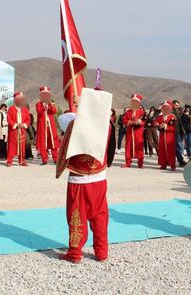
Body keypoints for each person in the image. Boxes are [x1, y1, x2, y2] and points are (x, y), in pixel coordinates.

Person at [57, 88, 113, 264]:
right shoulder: (107, 124)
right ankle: (102, 252)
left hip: (80, 179)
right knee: (100, 215)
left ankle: (75, 253)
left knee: (77, 215)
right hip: (99, 177)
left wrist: (81, 107)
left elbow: (64, 127)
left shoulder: (75, 124)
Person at [35, 86, 60, 165]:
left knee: (53, 143)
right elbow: (39, 111)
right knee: (43, 143)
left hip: (50, 126)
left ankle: (56, 159)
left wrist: (51, 106)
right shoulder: (38, 104)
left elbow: (54, 111)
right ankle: (44, 159)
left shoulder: (50, 103)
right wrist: (44, 106)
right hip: (42, 127)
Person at [122, 94, 146, 168]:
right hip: (130, 131)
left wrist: (140, 122)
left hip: (138, 132)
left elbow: (145, 121)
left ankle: (140, 163)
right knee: (128, 146)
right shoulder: (128, 112)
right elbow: (124, 119)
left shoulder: (142, 112)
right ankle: (128, 162)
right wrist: (129, 122)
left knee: (139, 147)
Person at [7, 92, 30, 167]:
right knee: (12, 145)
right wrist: (16, 125)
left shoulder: (25, 109)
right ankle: (9, 161)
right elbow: (9, 119)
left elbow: (28, 119)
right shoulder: (11, 109)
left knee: (22, 145)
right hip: (14, 130)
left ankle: (22, 161)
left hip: (22, 129)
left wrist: (23, 125)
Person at [155, 100, 177, 171]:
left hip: (170, 136)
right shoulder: (160, 116)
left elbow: (174, 127)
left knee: (170, 150)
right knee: (162, 150)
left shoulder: (172, 117)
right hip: (162, 135)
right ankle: (163, 164)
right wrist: (158, 124)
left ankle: (172, 165)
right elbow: (155, 121)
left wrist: (166, 126)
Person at [172, 100, 187, 167]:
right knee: (178, 147)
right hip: (174, 131)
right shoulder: (171, 111)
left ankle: (180, 160)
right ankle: (180, 161)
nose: (178, 106)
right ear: (173, 105)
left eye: (178, 105)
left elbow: (181, 122)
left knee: (179, 147)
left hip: (179, 131)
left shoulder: (178, 112)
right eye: (176, 105)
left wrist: (184, 115)